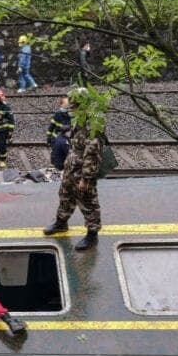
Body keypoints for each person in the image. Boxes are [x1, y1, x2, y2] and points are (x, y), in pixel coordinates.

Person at [43, 88, 102, 251]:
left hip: (83, 169)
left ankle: (92, 234)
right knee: (65, 194)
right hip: (72, 165)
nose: (72, 109)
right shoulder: (79, 119)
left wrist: (86, 178)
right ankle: (61, 222)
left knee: (87, 201)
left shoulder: (93, 124)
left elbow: (92, 153)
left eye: (75, 106)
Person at [46, 96, 72, 170]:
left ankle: (64, 165)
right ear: (61, 104)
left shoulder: (70, 114)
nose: (67, 105)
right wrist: (48, 138)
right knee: (55, 152)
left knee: (65, 151)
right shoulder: (57, 114)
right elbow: (51, 127)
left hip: (66, 136)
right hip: (57, 136)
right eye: (65, 103)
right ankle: (54, 165)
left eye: (68, 103)